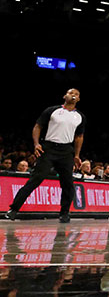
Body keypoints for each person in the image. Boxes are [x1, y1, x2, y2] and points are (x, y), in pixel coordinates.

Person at [4, 88, 85, 223]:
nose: (73, 95)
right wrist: (36, 144)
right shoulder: (52, 110)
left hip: (66, 151)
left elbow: (79, 137)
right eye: (71, 93)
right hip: (49, 148)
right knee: (36, 179)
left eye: (76, 94)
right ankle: (13, 209)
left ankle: (64, 213)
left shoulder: (80, 116)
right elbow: (37, 127)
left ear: (79, 99)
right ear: (64, 96)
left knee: (68, 184)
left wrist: (77, 155)